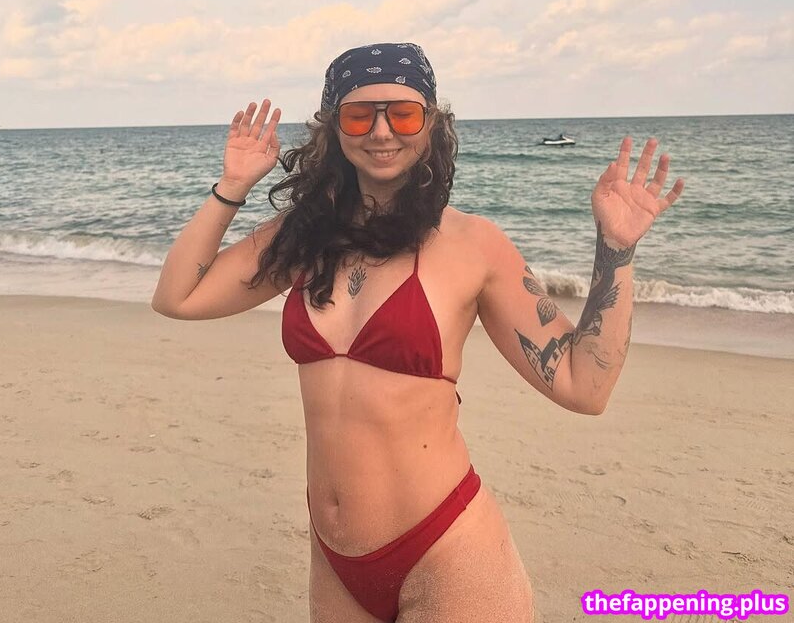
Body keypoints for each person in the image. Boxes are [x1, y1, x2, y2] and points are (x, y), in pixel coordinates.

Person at [151, 41, 684, 623]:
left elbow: (585, 386)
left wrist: (616, 250)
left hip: (446, 552)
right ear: (334, 128)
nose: (382, 131)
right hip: (336, 561)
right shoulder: (303, 238)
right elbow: (179, 297)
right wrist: (232, 186)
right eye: (360, 114)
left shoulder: (472, 245)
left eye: (403, 114)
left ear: (431, 124)